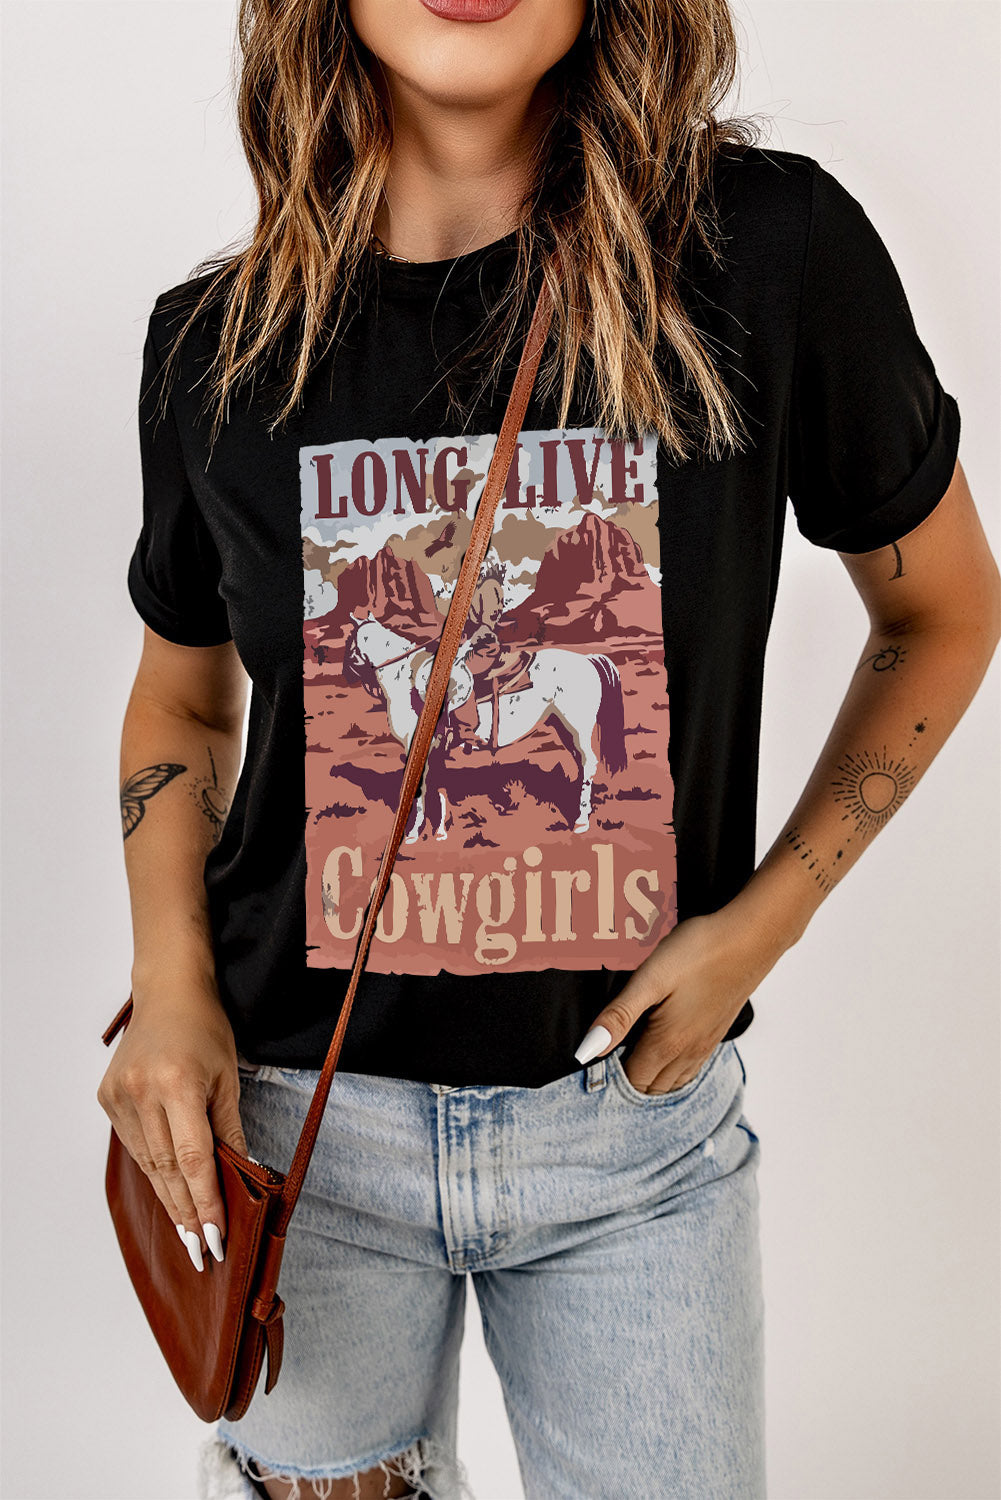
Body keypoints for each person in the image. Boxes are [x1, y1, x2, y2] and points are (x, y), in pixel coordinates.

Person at [97, 0, 1000, 1497]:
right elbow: (182, 700)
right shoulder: (214, 347)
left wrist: (759, 929)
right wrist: (172, 989)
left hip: (630, 1136)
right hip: (303, 1137)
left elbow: (944, 616)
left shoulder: (767, 253)